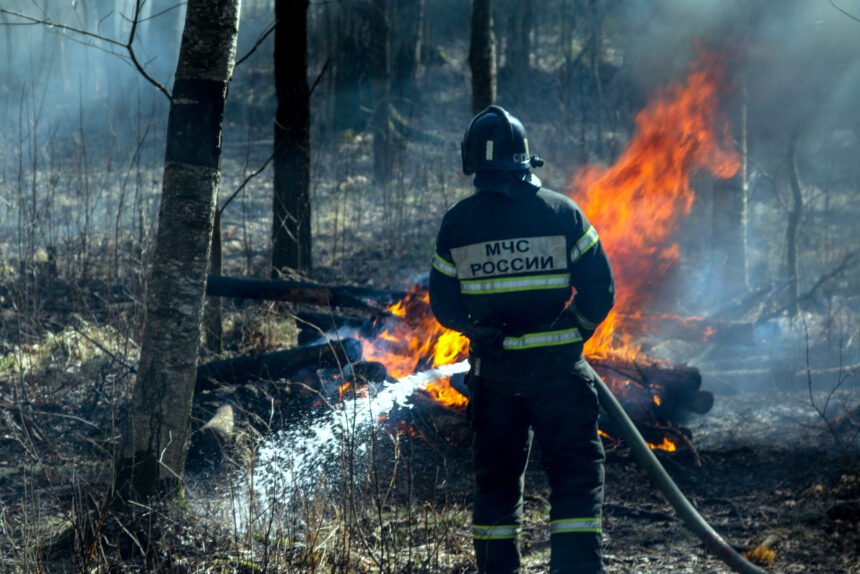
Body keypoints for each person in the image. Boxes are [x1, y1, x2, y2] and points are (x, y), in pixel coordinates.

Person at [428, 106, 615, 574]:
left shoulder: (458, 223)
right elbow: (601, 290)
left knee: (496, 486)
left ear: (473, 162)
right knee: (574, 477)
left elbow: (445, 309)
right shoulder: (562, 212)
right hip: (559, 378)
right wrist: (572, 333)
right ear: (526, 159)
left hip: (496, 380)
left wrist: (478, 330)